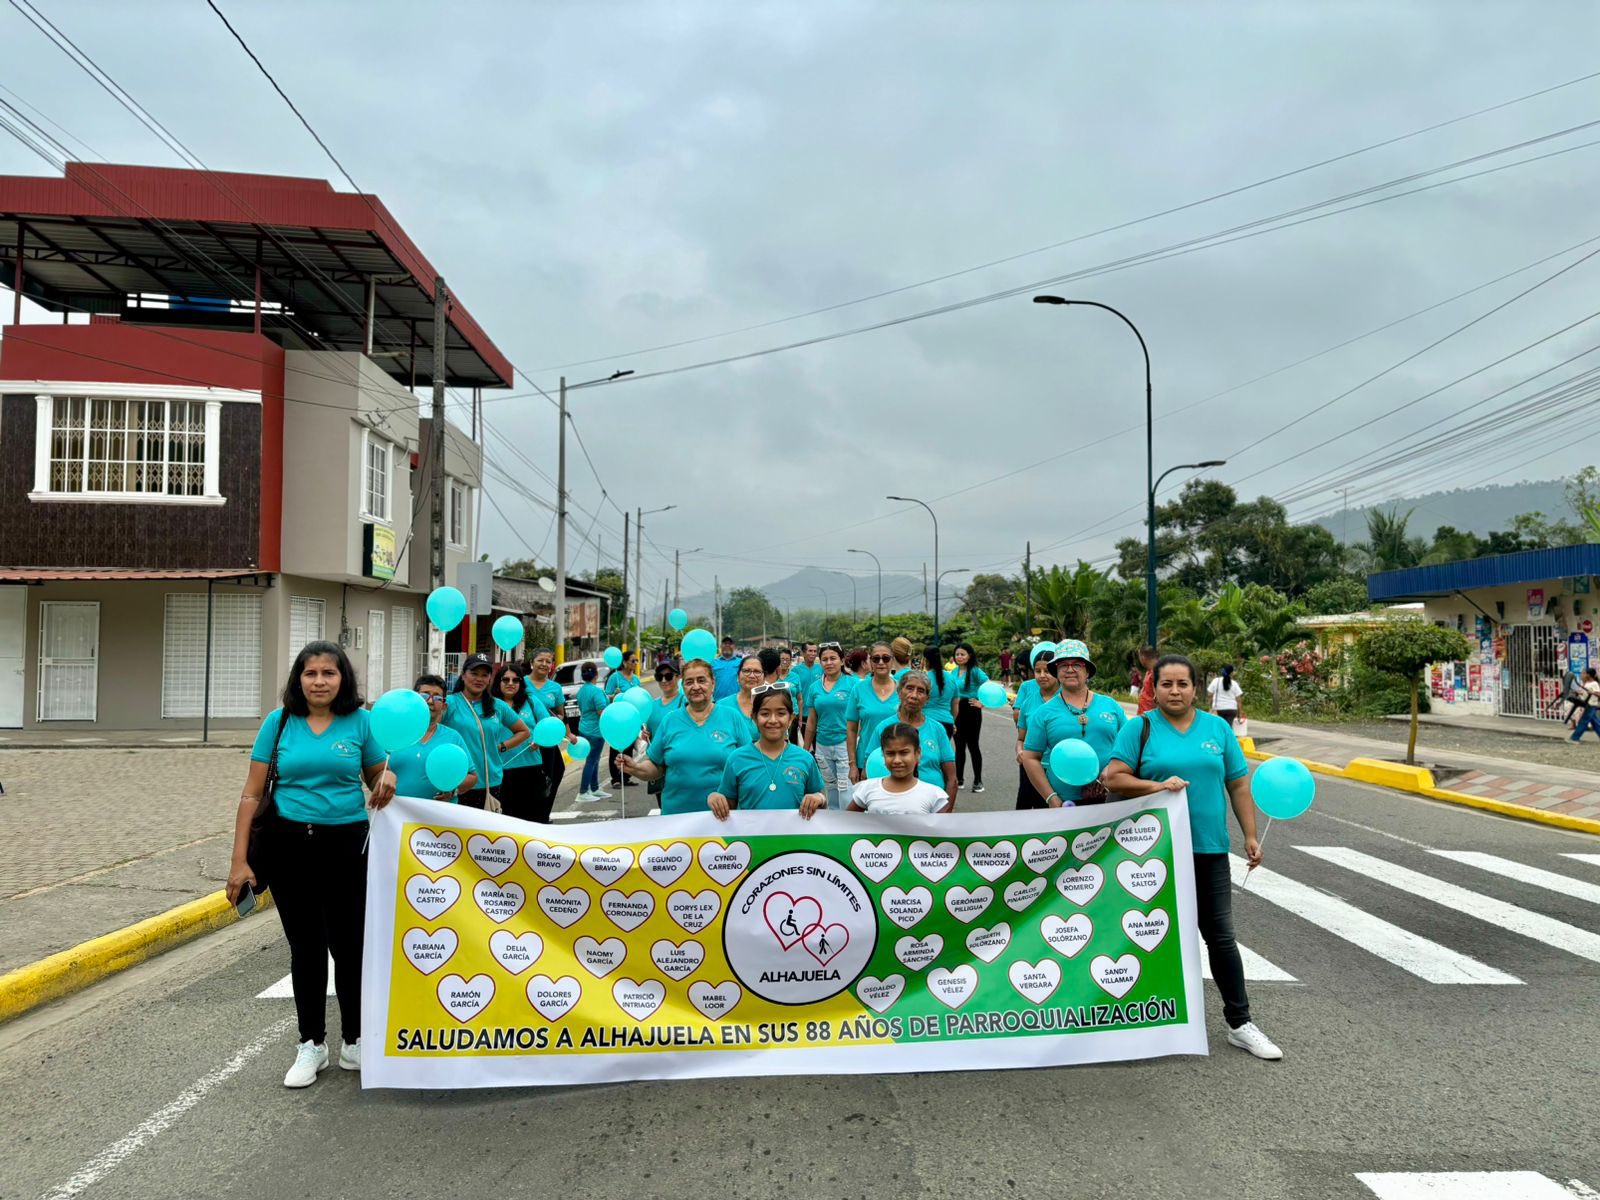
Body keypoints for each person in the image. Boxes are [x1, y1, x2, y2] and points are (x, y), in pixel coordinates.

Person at [225, 640, 396, 1088]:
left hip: (348, 846)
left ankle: (354, 1041)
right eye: (311, 673)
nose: (319, 681)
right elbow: (251, 794)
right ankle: (311, 1044)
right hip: (288, 847)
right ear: (298, 679)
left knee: (350, 947)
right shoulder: (278, 722)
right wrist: (239, 861)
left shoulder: (361, 722)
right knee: (306, 947)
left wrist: (387, 777)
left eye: (328, 673)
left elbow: (375, 774)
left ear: (343, 679)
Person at [1102, 653, 1282, 1061]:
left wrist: (1250, 836)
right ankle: (1135, 1018)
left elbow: (1238, 784)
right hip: (1153, 855)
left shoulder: (1217, 729)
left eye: (1182, 684)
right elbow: (1113, 777)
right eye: (1166, 684)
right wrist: (1156, 786)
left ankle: (1240, 1023)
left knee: (1220, 938)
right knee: (1142, 934)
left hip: (1208, 848)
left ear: (1196, 688)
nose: (1175, 691)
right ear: (1155, 688)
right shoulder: (1140, 728)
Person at [620, 656, 751, 814]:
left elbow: (748, 764)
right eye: (689, 682)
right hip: (677, 817)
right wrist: (636, 768)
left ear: (713, 683)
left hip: (723, 816)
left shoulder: (732, 717)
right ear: (683, 686)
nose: (696, 687)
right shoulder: (670, 720)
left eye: (701, 680)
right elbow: (656, 766)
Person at [1022, 639, 1128, 808]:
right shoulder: (1043, 713)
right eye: (1063, 665)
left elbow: (1130, 748)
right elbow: (1030, 757)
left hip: (1111, 798)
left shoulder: (1110, 705)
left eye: (1077, 664)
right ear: (1056, 671)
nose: (1070, 669)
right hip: (1065, 803)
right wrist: (1051, 797)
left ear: (1087, 671)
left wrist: (1113, 767)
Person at [708, 683, 826, 819]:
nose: (773, 720)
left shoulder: (805, 759)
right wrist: (716, 798)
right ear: (754, 718)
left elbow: (821, 802)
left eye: (781, 713)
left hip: (794, 832)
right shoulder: (737, 759)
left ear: (790, 718)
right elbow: (729, 805)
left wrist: (819, 798)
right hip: (751, 832)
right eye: (765, 714)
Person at [442, 652, 531, 810]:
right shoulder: (449, 703)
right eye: (474, 673)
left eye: (484, 675)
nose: (479, 679)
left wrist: (501, 746)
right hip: (458, 782)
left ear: (490, 679)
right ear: (463, 675)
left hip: (491, 782)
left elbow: (523, 731)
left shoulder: (498, 706)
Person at [864, 670, 958, 810]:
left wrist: (944, 814)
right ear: (899, 692)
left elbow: (951, 779)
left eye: (921, 691)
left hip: (932, 807)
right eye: (909, 688)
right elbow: (868, 773)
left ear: (927, 698)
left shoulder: (937, 729)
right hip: (892, 806)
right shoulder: (884, 727)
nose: (914, 695)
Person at [388, 674, 479, 802]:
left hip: (438, 812)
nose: (430, 701)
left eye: (437, 698)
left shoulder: (453, 737)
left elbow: (472, 777)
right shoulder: (394, 734)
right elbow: (371, 771)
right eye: (424, 695)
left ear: (444, 706)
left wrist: (453, 789)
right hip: (396, 810)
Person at [492, 663, 554, 822]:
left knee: (534, 820)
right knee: (507, 821)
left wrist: (539, 740)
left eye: (515, 680)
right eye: (505, 680)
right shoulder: (490, 704)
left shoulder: (531, 701)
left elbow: (548, 726)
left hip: (531, 768)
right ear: (498, 682)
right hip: (500, 770)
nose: (510, 683)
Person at [847, 723, 953, 814]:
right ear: (883, 754)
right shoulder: (867, 789)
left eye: (904, 753)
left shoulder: (933, 795)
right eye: (890, 753)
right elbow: (846, 823)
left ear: (917, 753)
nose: (897, 760)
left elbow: (942, 828)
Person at [803, 642, 856, 810]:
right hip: (822, 745)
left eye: (833, 658)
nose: (829, 662)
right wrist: (805, 750)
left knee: (846, 791)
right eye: (824, 659)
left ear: (842, 661)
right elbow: (811, 721)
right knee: (830, 790)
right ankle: (833, 824)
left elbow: (858, 718)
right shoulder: (814, 687)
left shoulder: (853, 684)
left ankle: (848, 824)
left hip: (844, 745)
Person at [846, 642, 902, 783]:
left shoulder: (903, 689)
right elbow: (851, 729)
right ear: (870, 661)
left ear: (893, 660)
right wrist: (852, 764)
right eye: (876, 659)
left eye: (886, 658)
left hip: (898, 761)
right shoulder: (858, 689)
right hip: (866, 761)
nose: (881, 662)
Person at [1011, 646, 1058, 809]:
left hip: (1059, 771)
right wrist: (1020, 751)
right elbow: (1021, 739)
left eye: (1048, 671)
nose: (1042, 675)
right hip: (1032, 767)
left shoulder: (1068, 700)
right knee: (1025, 811)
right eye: (1038, 671)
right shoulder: (1028, 702)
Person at [525, 648, 570, 807]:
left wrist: (565, 730)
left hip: (548, 740)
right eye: (540, 660)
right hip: (526, 740)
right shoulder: (521, 683)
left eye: (548, 661)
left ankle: (544, 811)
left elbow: (561, 714)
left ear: (552, 665)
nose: (544, 664)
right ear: (532, 663)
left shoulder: (555, 687)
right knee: (532, 778)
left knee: (554, 774)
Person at [950, 642, 989, 793]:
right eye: (957, 654)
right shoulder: (953, 672)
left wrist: (982, 703)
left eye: (962, 654)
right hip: (957, 710)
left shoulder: (975, 671)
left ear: (969, 656)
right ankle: (959, 779)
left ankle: (978, 781)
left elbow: (989, 686)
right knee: (959, 746)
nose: (959, 657)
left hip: (972, 710)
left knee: (973, 745)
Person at [604, 650, 643, 790]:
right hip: (617, 717)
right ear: (624, 662)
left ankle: (626, 777)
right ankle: (615, 778)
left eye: (637, 661)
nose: (635, 663)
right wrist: (614, 695)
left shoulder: (636, 679)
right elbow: (605, 696)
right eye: (633, 661)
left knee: (628, 748)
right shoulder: (615, 678)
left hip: (631, 717)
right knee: (616, 748)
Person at [575, 662, 609, 801]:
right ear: (596, 674)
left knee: (594, 759)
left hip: (584, 728)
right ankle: (583, 791)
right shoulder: (596, 691)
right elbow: (601, 711)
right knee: (592, 760)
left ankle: (594, 788)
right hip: (596, 731)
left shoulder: (581, 690)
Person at [715, 654, 767, 739]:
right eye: (746, 671)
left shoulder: (772, 704)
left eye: (757, 672)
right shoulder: (722, 706)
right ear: (737, 677)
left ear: (764, 678)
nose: (752, 676)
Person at [645, 659, 685, 738]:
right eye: (659, 677)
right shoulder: (652, 704)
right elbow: (650, 731)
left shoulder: (685, 703)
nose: (663, 680)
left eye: (668, 676)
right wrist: (645, 734)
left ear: (678, 677)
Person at [1207, 664, 1244, 729]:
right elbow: (1238, 700)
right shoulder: (1234, 684)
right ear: (1232, 673)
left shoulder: (1216, 681)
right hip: (1231, 709)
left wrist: (1210, 704)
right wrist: (1239, 713)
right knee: (1228, 729)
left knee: (1218, 728)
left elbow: (1209, 694)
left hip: (1218, 709)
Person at [1571, 668, 1600, 742]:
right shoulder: (1587, 683)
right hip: (1587, 704)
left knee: (1583, 721)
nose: (1582, 675)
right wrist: (1580, 692)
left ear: (1588, 675)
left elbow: (1598, 694)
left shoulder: (1594, 683)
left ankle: (1574, 737)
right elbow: (1585, 693)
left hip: (1591, 704)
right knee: (1595, 723)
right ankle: (1574, 737)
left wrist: (1592, 692)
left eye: (1584, 673)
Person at [1135, 644, 1159, 714]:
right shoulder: (1149, 672)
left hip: (1150, 715)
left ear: (1142, 657)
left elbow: (1158, 698)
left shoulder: (1156, 673)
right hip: (1143, 712)